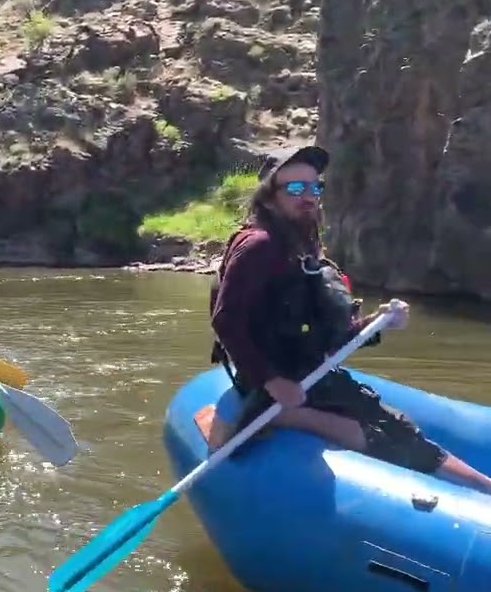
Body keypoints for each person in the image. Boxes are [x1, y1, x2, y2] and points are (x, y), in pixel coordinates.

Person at [209, 145, 491, 493]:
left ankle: (485, 486)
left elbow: (332, 332)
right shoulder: (260, 246)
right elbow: (225, 320)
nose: (308, 197)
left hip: (308, 370)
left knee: (398, 427)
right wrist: (272, 382)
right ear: (269, 198)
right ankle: (285, 415)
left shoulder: (301, 246)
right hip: (276, 379)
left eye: (315, 188)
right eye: (295, 189)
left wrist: (377, 321)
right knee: (382, 436)